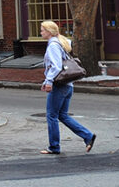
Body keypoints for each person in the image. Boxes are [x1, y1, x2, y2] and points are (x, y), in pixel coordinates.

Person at [39, 20, 96, 155]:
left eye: (42, 30)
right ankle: (87, 136)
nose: (41, 32)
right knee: (62, 115)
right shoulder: (61, 43)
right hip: (68, 85)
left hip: (59, 86)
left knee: (52, 116)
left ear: (49, 32)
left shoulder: (53, 45)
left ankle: (54, 147)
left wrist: (48, 81)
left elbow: (56, 66)